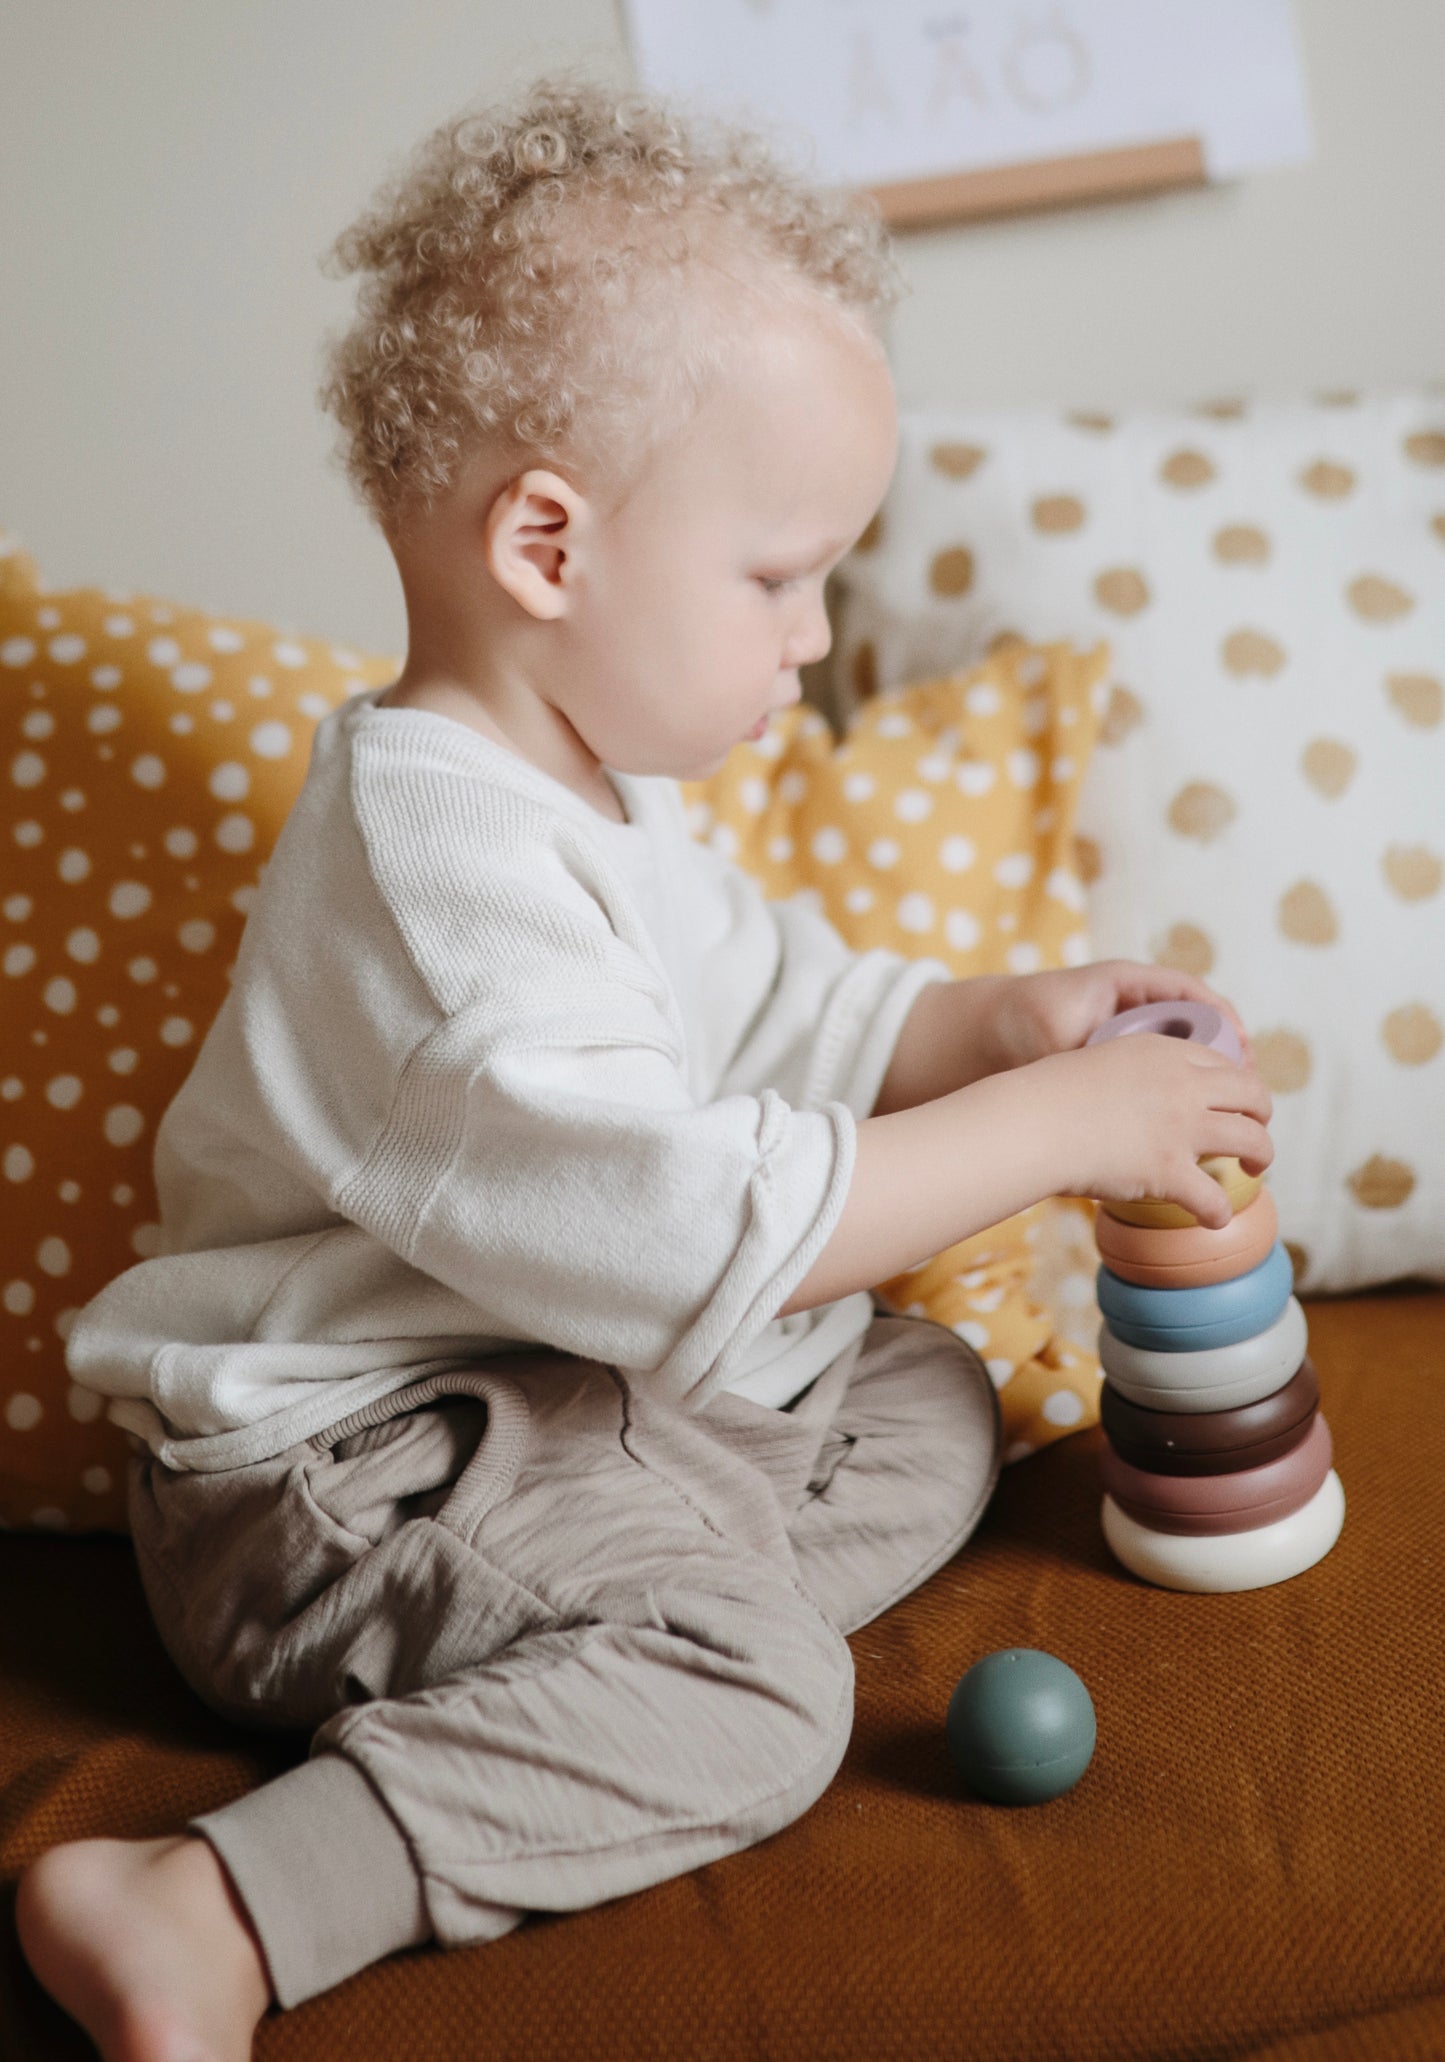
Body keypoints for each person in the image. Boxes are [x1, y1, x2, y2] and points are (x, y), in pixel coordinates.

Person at [15, 69, 1273, 2062]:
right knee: (772, 1693)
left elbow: (774, 1008)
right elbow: (695, 1217)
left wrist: (988, 1021)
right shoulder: (434, 871)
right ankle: (214, 1898)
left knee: (933, 1391)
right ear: (547, 542)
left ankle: (638, 1620)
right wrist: (1052, 1126)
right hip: (351, 1471)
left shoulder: (586, 790)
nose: (814, 632)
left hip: (579, 1390)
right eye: (780, 573)